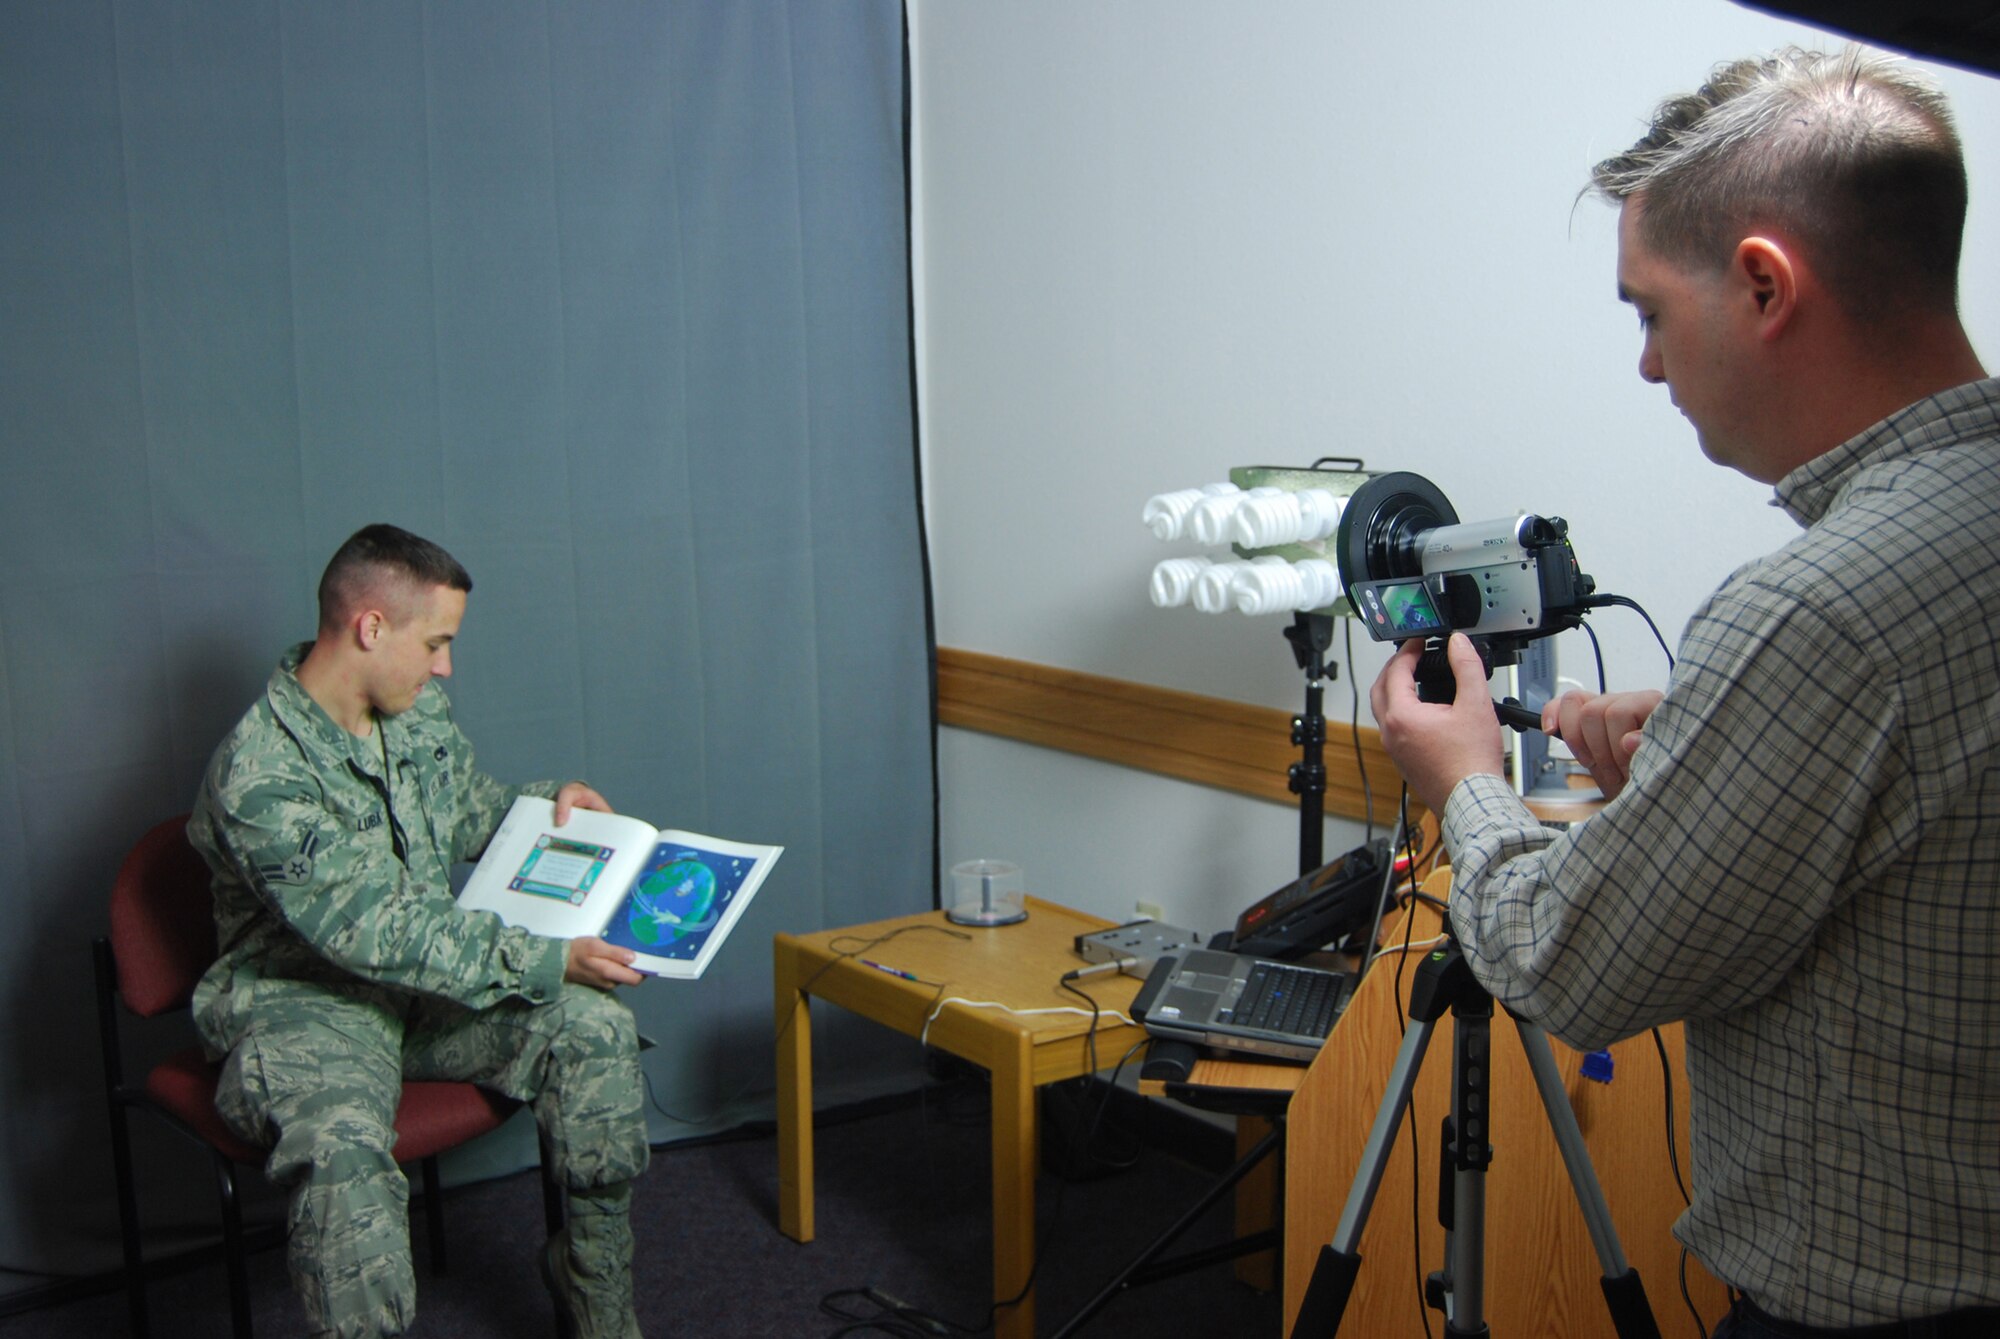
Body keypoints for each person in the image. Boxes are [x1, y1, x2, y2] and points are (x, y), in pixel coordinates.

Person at [1369, 48, 1998, 1337]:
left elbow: (1568, 967)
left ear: (1763, 284)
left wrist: (1463, 778)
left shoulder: (1816, 614)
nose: (1648, 366)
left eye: (1648, 311)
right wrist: (1711, 760)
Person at [189, 523, 651, 1339]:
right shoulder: (258, 772)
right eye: (436, 642)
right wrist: (544, 957)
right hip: (306, 1004)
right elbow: (378, 929)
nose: (446, 666)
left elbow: (466, 805)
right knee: (344, 1159)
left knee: (595, 1030)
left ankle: (595, 1291)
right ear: (371, 627)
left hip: (425, 994)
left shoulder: (412, 708)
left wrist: (553, 803)